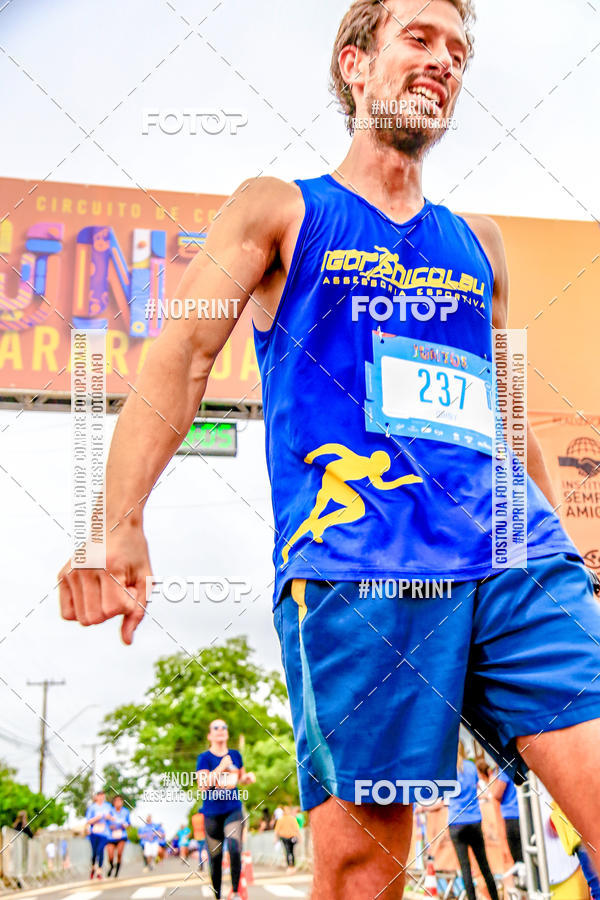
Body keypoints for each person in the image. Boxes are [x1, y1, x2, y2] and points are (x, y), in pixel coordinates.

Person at [58, 0, 600, 896]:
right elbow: (180, 360)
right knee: (362, 872)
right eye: (418, 39)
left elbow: (512, 420)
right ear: (354, 63)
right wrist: (119, 522)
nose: (443, 62)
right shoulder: (279, 210)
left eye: (458, 50)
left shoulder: (482, 244)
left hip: (514, 556)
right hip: (362, 563)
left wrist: (574, 559)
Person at [196, 720, 256, 900]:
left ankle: (236, 892)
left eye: (224, 727)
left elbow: (241, 777)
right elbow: (203, 785)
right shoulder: (204, 758)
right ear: (210, 735)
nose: (220, 730)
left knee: (234, 845)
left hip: (233, 809)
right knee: (215, 859)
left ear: (227, 734)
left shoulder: (236, 755)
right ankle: (218, 896)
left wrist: (247, 778)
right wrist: (221, 767)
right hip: (212, 812)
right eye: (216, 727)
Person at [447, 744, 499, 900]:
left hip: (456, 821)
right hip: (474, 819)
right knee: (484, 865)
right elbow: (476, 787)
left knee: (465, 869)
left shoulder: (448, 769)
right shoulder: (470, 767)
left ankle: (471, 898)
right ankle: (495, 897)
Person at [490, 770, 523, 864]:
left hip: (512, 815)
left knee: (518, 858)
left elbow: (497, 793)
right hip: (523, 813)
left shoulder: (505, 766)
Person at [85, 790, 113, 879]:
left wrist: (107, 817)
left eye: (102, 795)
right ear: (96, 797)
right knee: (94, 852)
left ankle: (99, 871)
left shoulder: (108, 806)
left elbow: (112, 818)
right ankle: (93, 867)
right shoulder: (92, 807)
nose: (101, 797)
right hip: (94, 832)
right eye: (99, 795)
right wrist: (98, 817)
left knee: (100, 850)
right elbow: (89, 821)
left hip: (104, 832)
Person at [106, 795, 130, 877]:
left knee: (119, 854)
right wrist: (110, 825)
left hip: (121, 835)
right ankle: (112, 866)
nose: (118, 803)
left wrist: (125, 825)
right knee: (110, 856)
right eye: (116, 801)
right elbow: (106, 822)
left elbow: (128, 823)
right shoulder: (110, 811)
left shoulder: (126, 812)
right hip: (111, 836)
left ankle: (116, 872)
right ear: (114, 802)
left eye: (120, 801)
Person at [274, 806, 301, 871]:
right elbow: (296, 829)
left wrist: (275, 838)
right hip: (289, 837)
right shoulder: (291, 819)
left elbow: (276, 830)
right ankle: (292, 866)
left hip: (286, 837)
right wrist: (300, 837)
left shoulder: (281, 819)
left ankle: (290, 866)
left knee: (288, 851)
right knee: (291, 851)